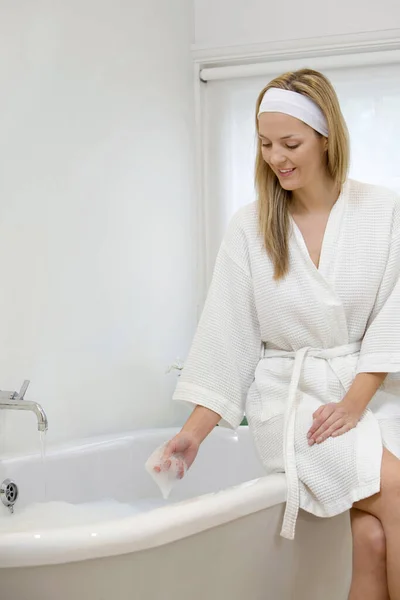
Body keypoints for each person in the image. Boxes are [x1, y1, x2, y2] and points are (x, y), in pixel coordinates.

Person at [156, 69, 400, 600]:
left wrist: (356, 402)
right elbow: (227, 334)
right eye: (265, 144)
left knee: (374, 537)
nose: (276, 157)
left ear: (326, 136)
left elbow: (394, 317)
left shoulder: (383, 211)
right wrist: (193, 434)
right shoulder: (251, 226)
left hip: (369, 398)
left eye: (291, 143)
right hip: (293, 409)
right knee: (397, 496)